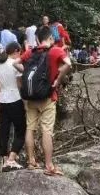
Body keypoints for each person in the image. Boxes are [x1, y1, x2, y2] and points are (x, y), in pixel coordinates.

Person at [21, 28, 71, 176]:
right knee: (46, 131)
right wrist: (58, 79)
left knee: (30, 128)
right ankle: (49, 165)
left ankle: (31, 161)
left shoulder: (31, 52)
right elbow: (68, 63)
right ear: (50, 38)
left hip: (31, 97)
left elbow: (16, 63)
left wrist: (26, 75)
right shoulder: (55, 51)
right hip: (47, 97)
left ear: (37, 39)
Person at [0, 43, 25, 170]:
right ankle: (12, 159)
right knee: (21, 130)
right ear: (16, 51)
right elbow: (19, 84)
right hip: (15, 99)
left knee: (4, 131)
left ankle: (4, 159)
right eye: (20, 52)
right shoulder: (15, 64)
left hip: (2, 100)